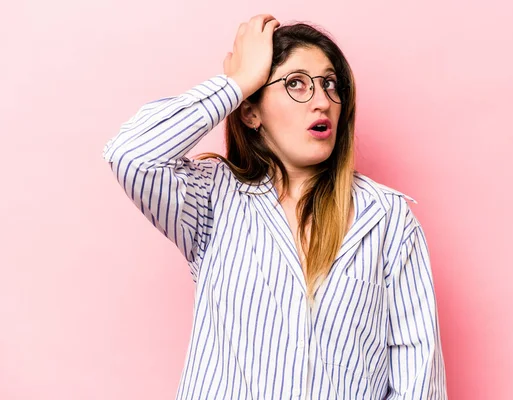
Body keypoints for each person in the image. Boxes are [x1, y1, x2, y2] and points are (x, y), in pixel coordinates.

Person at [102, 14, 447, 400]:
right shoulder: (212, 198)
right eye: (296, 83)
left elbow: (419, 382)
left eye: (329, 84)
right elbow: (131, 153)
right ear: (251, 113)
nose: (321, 102)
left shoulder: (386, 219)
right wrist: (237, 83)